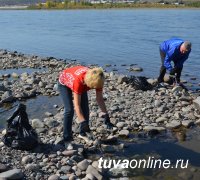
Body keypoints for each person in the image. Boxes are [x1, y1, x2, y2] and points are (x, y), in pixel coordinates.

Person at [58, 65, 114, 149]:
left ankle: (83, 133)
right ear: (88, 83)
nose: (93, 88)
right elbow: (77, 105)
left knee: (85, 108)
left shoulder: (99, 78)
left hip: (82, 82)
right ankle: (67, 139)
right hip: (64, 83)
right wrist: (83, 122)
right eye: (92, 87)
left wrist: (106, 115)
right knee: (69, 110)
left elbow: (99, 99)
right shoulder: (79, 82)